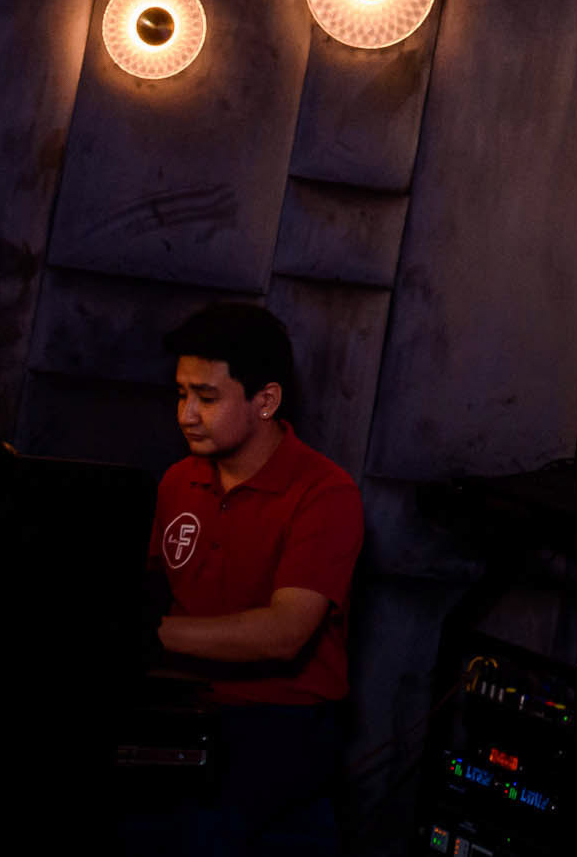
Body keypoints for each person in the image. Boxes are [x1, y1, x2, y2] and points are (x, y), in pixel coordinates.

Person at [140, 302, 364, 851]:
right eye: (181, 394)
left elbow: (284, 633)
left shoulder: (326, 493)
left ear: (265, 401)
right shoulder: (177, 480)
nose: (186, 415)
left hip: (279, 720)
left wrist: (141, 633)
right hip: (183, 703)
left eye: (207, 397)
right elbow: (149, 592)